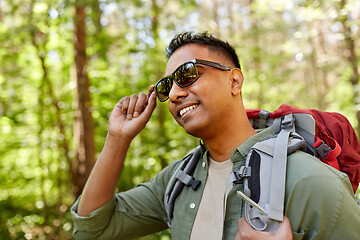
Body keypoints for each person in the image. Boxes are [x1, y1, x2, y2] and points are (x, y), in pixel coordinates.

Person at [71, 32, 360, 240]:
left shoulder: (310, 182)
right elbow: (91, 229)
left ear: (234, 81)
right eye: (166, 86)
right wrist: (117, 138)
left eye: (187, 74)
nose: (173, 94)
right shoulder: (177, 180)